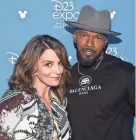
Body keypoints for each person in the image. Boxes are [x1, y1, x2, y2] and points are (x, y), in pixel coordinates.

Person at [64, 5, 135, 140]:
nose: (89, 43)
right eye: (84, 35)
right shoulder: (65, 77)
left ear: (105, 42)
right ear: (75, 37)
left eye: (97, 37)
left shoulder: (125, 73)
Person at [0, 35, 72, 140]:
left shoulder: (59, 102)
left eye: (60, 63)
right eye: (48, 64)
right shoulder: (17, 101)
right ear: (32, 66)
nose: (58, 71)